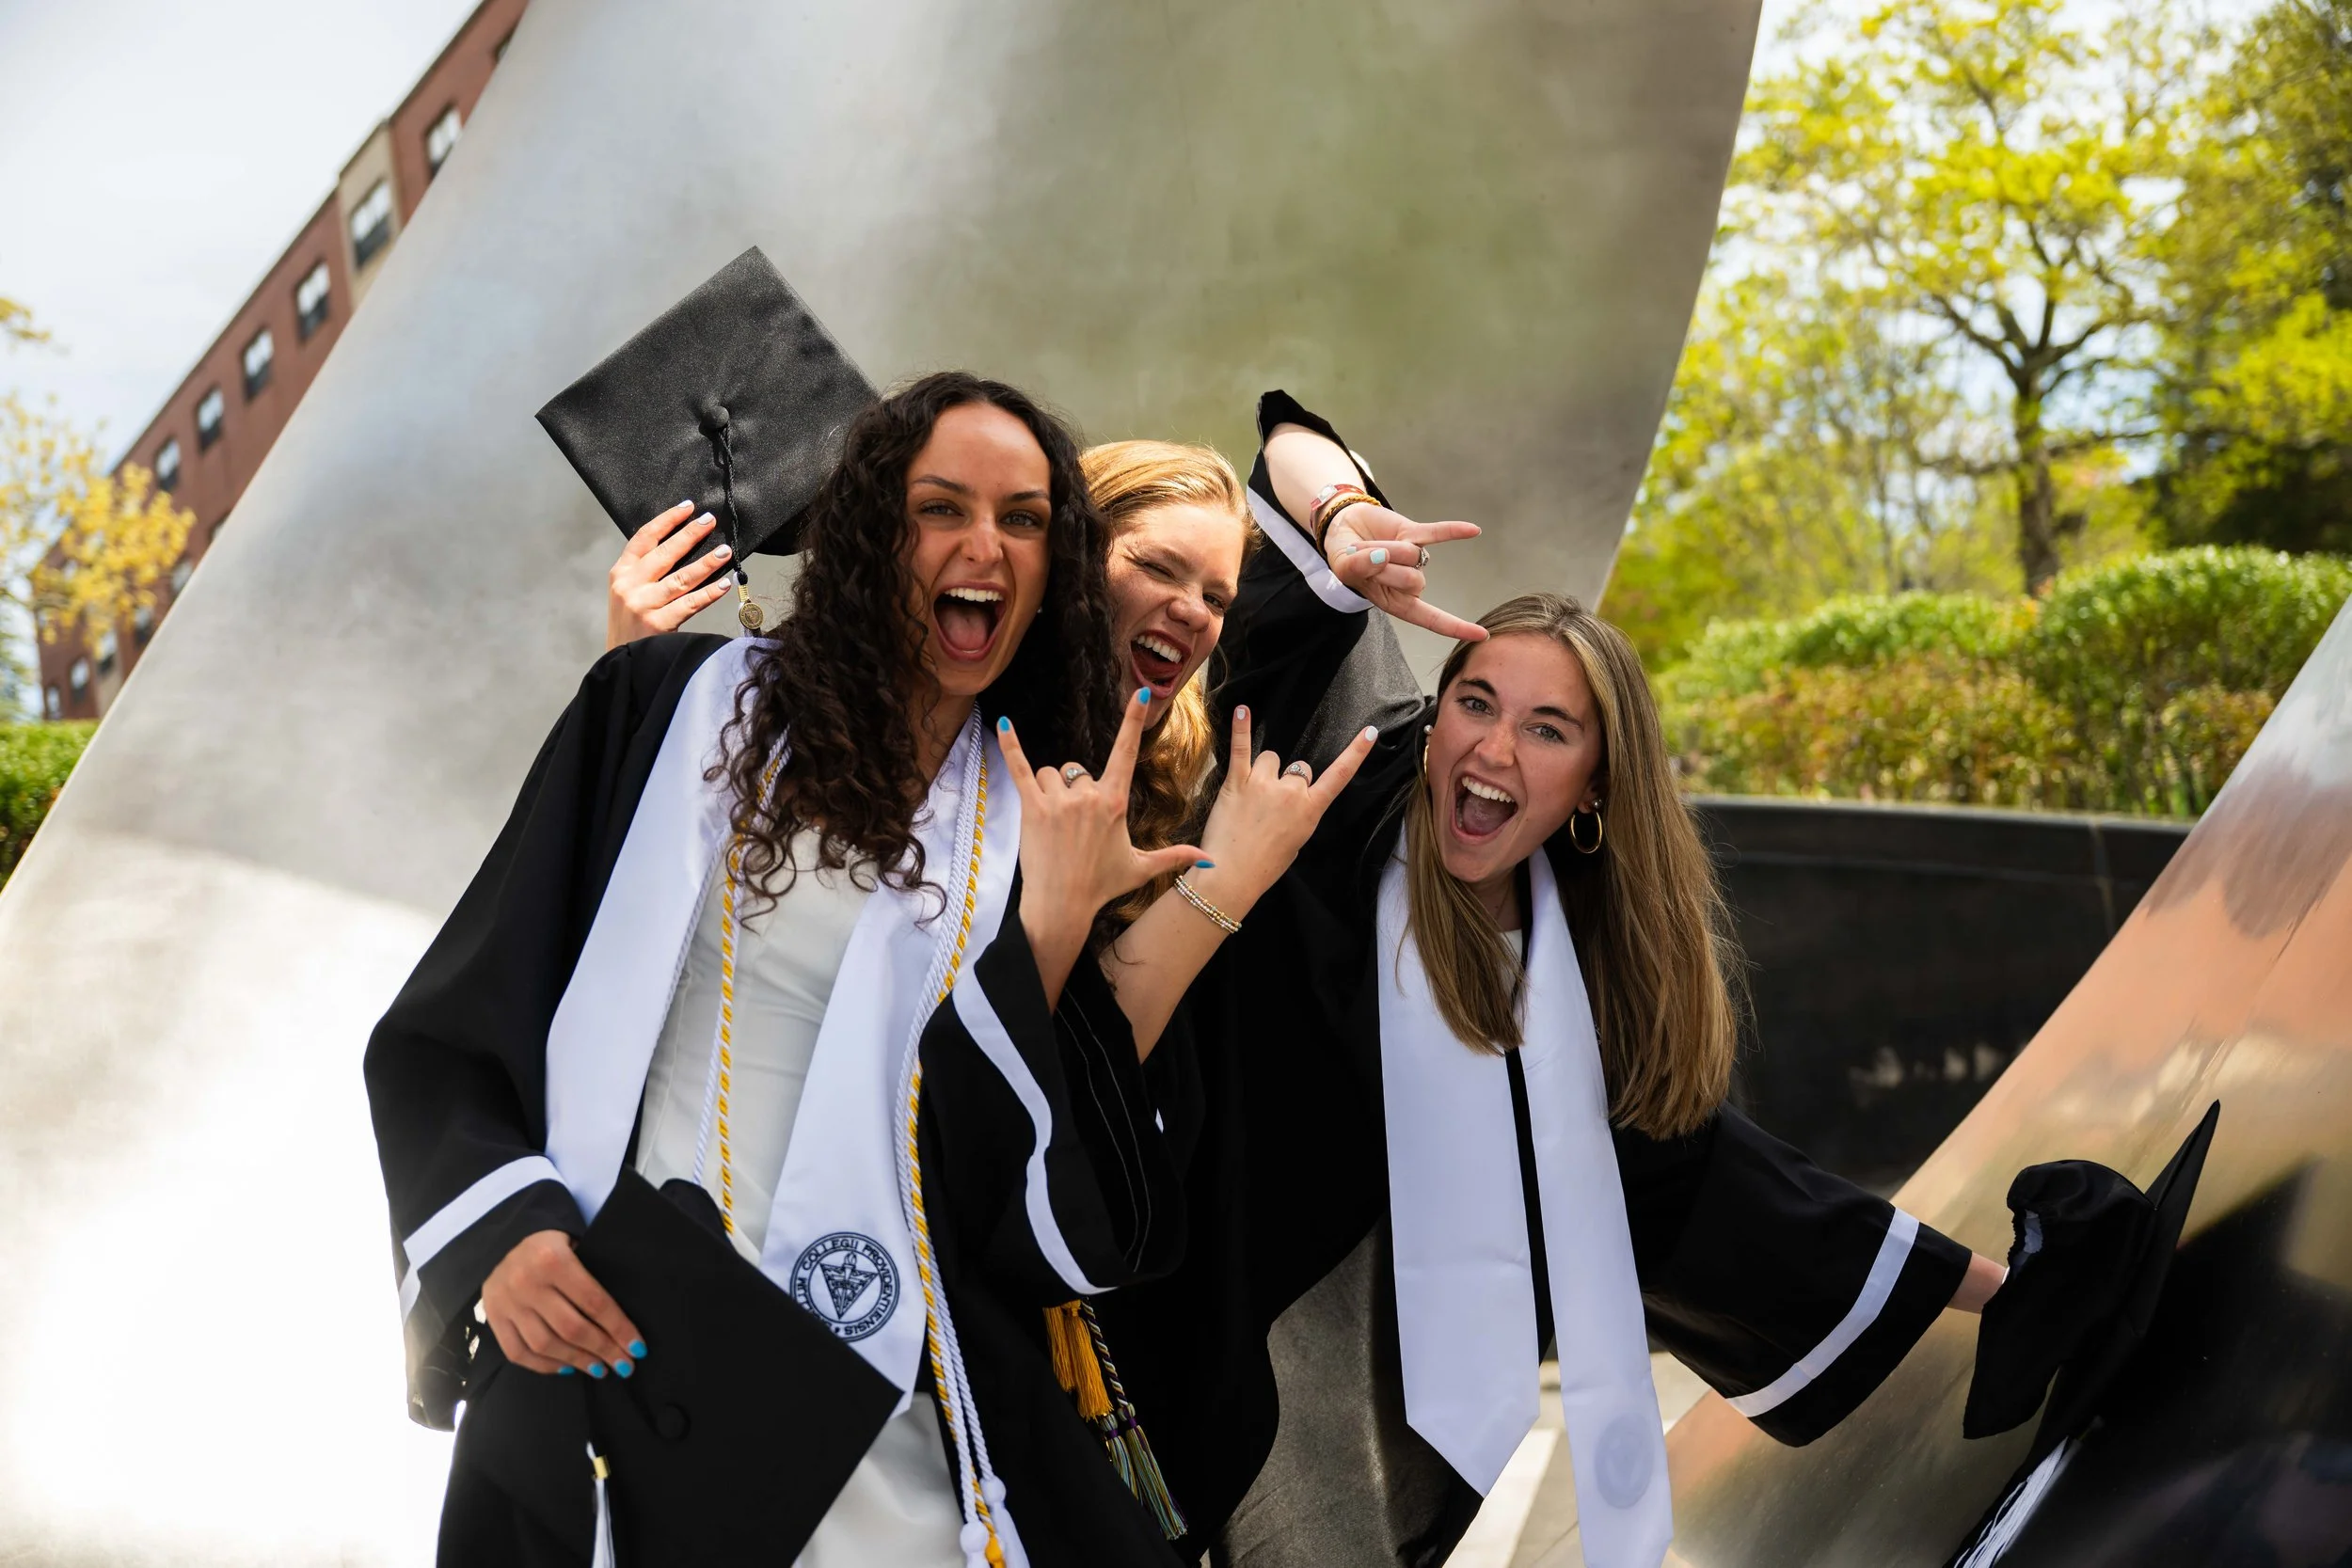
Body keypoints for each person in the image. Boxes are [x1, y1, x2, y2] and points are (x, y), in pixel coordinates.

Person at [364, 372, 1340, 1568]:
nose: (983, 542)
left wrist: (1054, 928)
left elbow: (1028, 1193)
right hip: (626, 1343)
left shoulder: (1043, 815)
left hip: (891, 1391)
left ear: (1053, 569)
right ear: (876, 529)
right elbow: (469, 1004)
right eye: (942, 506)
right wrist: (504, 1234)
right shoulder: (668, 711)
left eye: (1025, 518)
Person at [1078, 393, 2013, 1568]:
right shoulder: (1344, 779)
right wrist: (1346, 512)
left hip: (1305, 1405)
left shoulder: (1559, 1004)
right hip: (1126, 1304)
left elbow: (1711, 1186)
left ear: (1594, 788)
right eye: (1477, 701)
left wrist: (2002, 1286)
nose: (1495, 748)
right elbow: (1286, 430)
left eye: (1550, 729)